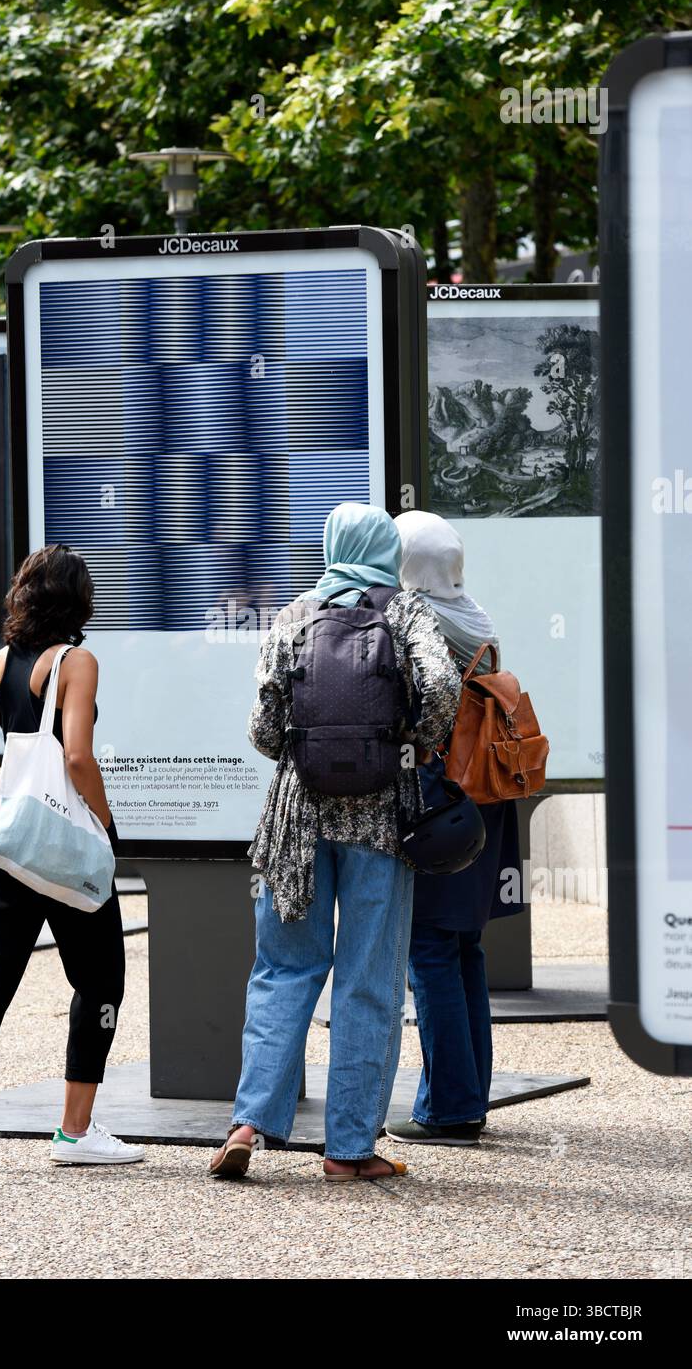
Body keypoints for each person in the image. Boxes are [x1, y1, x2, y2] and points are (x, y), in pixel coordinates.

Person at [209, 502, 461, 1181]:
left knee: (283, 970)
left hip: (296, 820)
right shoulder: (405, 612)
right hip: (381, 816)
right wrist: (409, 738)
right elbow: (441, 685)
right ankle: (348, 1150)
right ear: (383, 548)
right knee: (369, 980)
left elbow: (263, 731)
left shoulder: (293, 616)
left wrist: (303, 746)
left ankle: (247, 1121)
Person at [0, 544, 143, 1168]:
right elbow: (77, 756)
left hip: (9, 856)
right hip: (68, 855)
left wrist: (10, 807)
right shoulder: (77, 662)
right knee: (100, 980)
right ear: (78, 600)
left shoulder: (0, 664)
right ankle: (75, 1133)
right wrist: (104, 822)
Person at [386, 509, 523, 1147]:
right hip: (482, 797)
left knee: (430, 949)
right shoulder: (476, 616)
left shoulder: (420, 621)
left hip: (442, 799)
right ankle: (466, 1097)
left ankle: (448, 1107)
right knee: (463, 947)